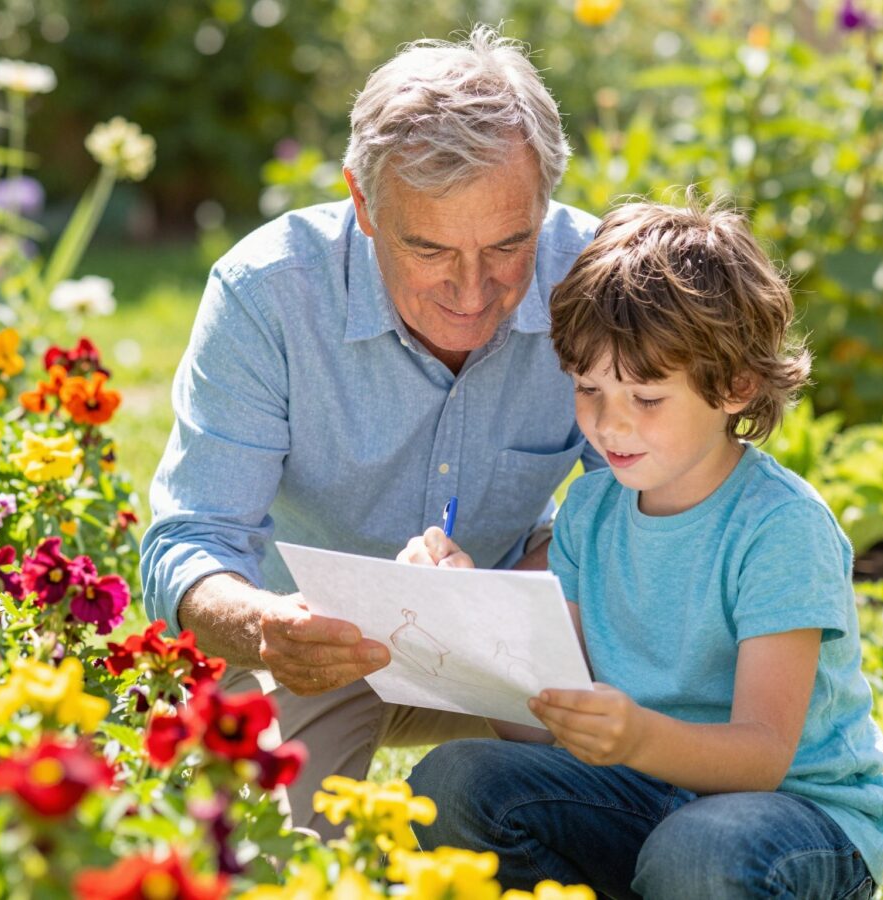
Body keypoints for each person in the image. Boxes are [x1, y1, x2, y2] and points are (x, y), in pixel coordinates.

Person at [139, 25, 603, 833]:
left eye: (508, 244)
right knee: (270, 859)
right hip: (310, 645)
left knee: (628, 824)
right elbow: (191, 542)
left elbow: (660, 512)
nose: (472, 290)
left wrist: (517, 585)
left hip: (522, 632)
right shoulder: (268, 294)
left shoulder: (594, 278)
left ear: (545, 204)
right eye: (429, 249)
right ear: (363, 203)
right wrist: (266, 626)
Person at [401, 194, 883, 898]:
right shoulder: (591, 510)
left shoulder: (779, 528)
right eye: (588, 388)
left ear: (735, 385)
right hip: (638, 800)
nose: (609, 425)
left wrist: (636, 738)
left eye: (646, 398)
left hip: (792, 822)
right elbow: (538, 735)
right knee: (451, 782)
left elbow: (762, 755)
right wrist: (473, 625)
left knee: (697, 853)